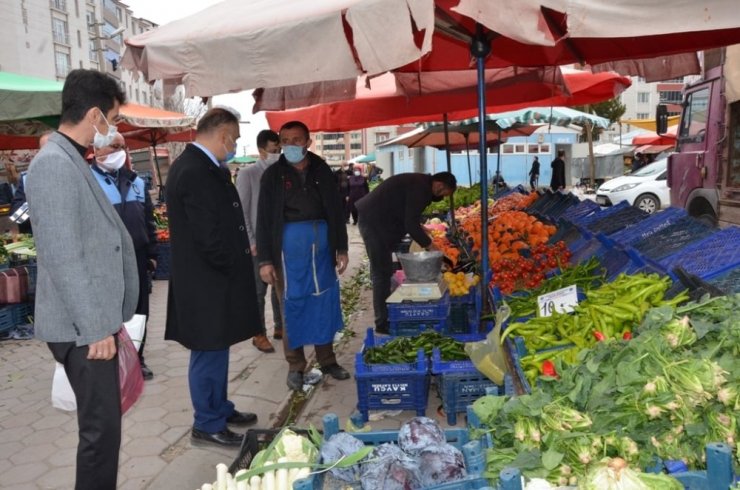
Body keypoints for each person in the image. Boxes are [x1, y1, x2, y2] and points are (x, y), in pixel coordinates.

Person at [25, 68, 139, 490]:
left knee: (104, 429)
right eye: (112, 117)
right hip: (81, 327)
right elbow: (62, 255)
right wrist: (95, 328)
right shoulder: (54, 164)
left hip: (90, 320)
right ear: (94, 115)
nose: (113, 128)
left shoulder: (71, 158)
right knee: (100, 432)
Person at [165, 107, 260, 447]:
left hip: (212, 279)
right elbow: (208, 235)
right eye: (233, 139)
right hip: (206, 282)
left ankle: (219, 407)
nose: (232, 145)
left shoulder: (203, 166)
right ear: (222, 135)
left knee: (217, 349)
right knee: (208, 351)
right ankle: (206, 423)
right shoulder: (193, 170)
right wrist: (231, 264)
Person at [256, 120, 351, 391]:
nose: (290, 145)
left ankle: (327, 360)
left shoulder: (322, 169)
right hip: (287, 250)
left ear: (308, 142)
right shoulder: (272, 175)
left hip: (321, 247)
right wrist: (265, 260)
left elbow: (335, 210)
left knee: (323, 301)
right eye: (285, 140)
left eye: (297, 140)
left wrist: (341, 248)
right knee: (291, 305)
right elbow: (263, 219)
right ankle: (295, 366)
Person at [89, 132, 157, 380]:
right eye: (113, 146)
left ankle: (137, 360)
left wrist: (151, 254)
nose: (119, 151)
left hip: (137, 258)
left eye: (122, 146)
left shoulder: (136, 182)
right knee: (111, 312)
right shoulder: (87, 182)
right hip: (105, 261)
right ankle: (112, 362)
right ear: (96, 150)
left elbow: (148, 221)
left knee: (139, 312)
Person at [355, 172, 457, 335]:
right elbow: (410, 223)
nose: (442, 198)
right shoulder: (421, 188)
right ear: (439, 185)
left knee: (384, 270)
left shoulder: (419, 183)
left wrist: (420, 228)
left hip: (378, 221)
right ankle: (382, 323)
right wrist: (431, 247)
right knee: (381, 273)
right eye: (444, 194)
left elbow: (407, 213)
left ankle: (386, 315)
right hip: (374, 222)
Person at [235, 129, 283, 352]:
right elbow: (242, 211)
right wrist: (251, 241)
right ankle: (258, 333)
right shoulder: (248, 174)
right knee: (258, 291)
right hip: (257, 244)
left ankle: (280, 326)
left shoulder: (282, 172)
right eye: (274, 150)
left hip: (280, 241)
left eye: (279, 149)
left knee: (279, 286)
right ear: (261, 150)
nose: (278, 153)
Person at [9, 130, 54, 234]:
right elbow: (17, 217)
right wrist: (39, 199)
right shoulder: (27, 179)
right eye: (45, 149)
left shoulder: (77, 174)